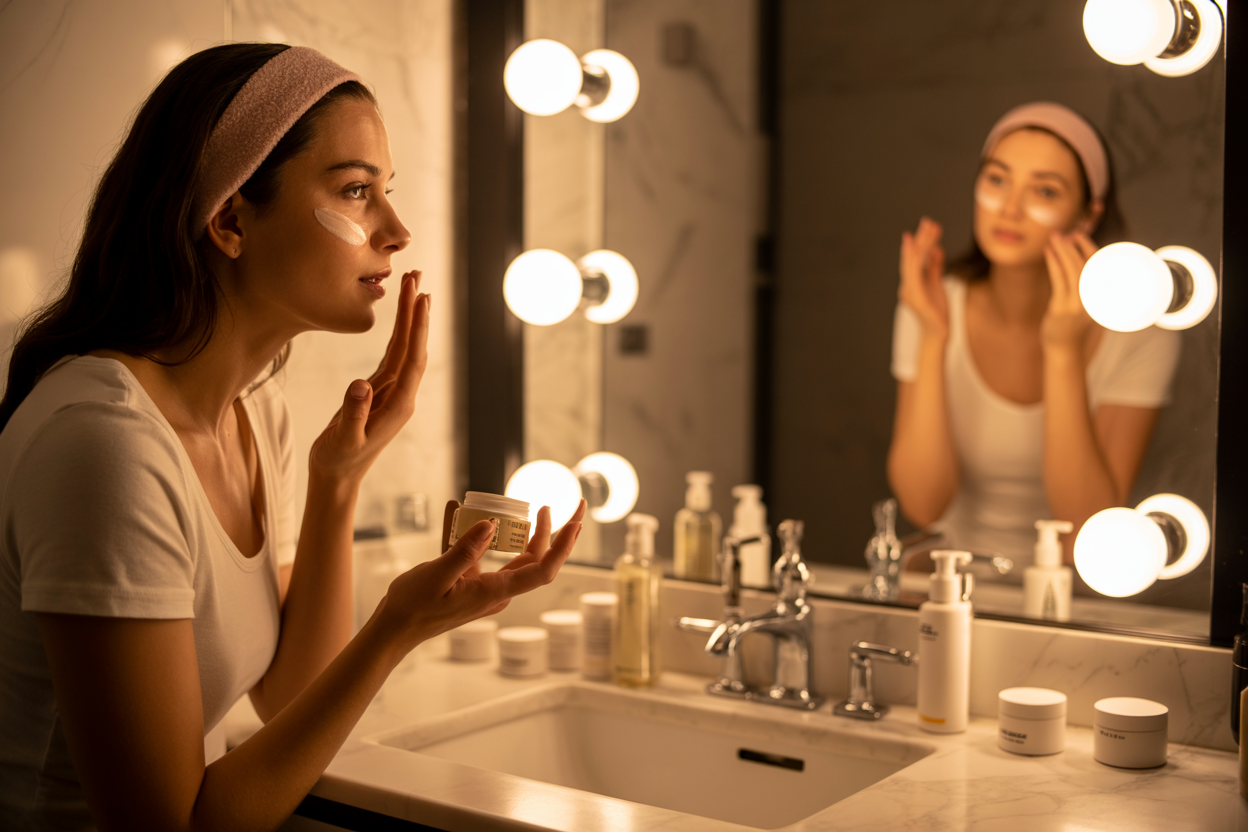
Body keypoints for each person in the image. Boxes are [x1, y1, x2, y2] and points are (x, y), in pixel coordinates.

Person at [0, 43, 585, 831]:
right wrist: (392, 630)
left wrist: (340, 479)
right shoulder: (106, 447)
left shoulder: (253, 412)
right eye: (356, 191)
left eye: (387, 193)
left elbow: (286, 696)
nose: (398, 230)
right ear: (232, 220)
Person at [887, 102, 1179, 568]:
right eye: (997, 180)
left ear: (1086, 216)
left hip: (1078, 596)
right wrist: (933, 338)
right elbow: (924, 505)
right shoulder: (931, 303)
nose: (1010, 208)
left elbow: (1088, 524)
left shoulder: (1138, 331)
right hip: (952, 583)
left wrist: (1062, 350)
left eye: (1044, 191)